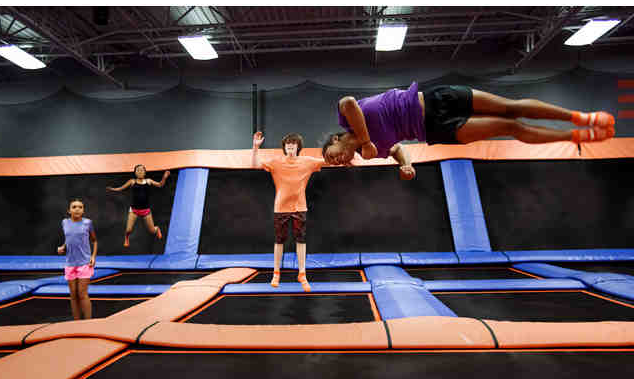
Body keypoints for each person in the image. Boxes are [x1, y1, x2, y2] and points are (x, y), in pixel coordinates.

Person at [322, 83, 616, 179]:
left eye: (330, 155)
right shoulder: (370, 153)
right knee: (509, 126)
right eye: (335, 164)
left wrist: (365, 140)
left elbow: (349, 102)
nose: (335, 160)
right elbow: (398, 149)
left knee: (511, 107)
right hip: (436, 128)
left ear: (335, 139)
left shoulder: (345, 119)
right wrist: (407, 165)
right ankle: (574, 136)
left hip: (435, 98)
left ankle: (580, 117)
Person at [252, 131, 324, 292]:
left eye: (293, 144)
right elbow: (255, 164)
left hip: (300, 207)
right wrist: (255, 147)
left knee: (301, 240)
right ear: (284, 147)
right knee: (279, 241)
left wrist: (349, 154)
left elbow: (329, 161)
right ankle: (276, 273)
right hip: (281, 207)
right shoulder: (276, 162)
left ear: (298, 147)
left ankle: (302, 274)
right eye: (287, 144)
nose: (290, 146)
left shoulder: (307, 162)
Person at [106, 165, 170, 247]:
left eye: (142, 170)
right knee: (128, 230)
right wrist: (113, 189)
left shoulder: (148, 181)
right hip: (134, 210)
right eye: (138, 170)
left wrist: (164, 177)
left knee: (152, 231)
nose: (140, 172)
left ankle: (157, 229)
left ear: (145, 172)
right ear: (135, 173)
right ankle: (126, 237)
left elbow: (160, 185)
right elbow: (121, 188)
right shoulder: (132, 181)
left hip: (146, 210)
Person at [57, 198, 97, 320]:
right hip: (70, 263)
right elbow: (69, 239)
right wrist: (63, 247)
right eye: (74, 207)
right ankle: (76, 323)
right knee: (73, 295)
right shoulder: (65, 222)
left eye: (80, 207)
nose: (77, 209)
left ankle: (88, 323)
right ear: (69, 211)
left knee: (82, 294)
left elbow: (94, 241)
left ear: (83, 210)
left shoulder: (87, 223)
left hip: (84, 263)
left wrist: (93, 256)